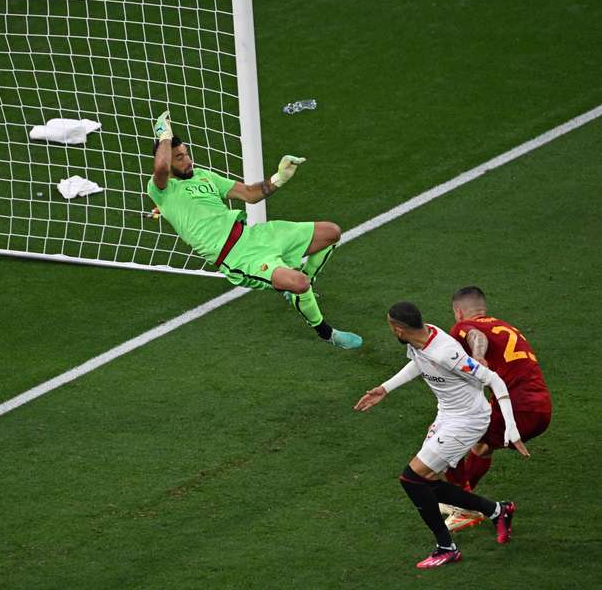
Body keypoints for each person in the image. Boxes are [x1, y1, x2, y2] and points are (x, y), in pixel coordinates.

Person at [147, 110, 361, 349]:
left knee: (331, 233)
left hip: (255, 235)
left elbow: (249, 194)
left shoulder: (203, 176)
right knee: (299, 282)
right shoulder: (162, 190)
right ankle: (327, 333)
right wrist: (164, 136)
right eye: (179, 158)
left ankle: (297, 292)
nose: (188, 161)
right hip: (238, 256)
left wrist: (280, 178)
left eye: (186, 154)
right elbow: (161, 169)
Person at [354, 301, 529, 568]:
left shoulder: (446, 352)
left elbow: (494, 379)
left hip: (468, 419)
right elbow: (418, 364)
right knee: (427, 482)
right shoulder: (422, 337)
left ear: (399, 329)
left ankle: (447, 547)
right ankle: (498, 510)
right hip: (447, 414)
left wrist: (512, 429)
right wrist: (385, 388)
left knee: (412, 479)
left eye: (390, 326)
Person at [441, 286, 553, 529]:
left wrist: (478, 356)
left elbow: (476, 338)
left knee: (449, 439)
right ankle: (462, 502)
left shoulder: (463, 327)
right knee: (480, 447)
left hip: (517, 408)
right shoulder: (505, 326)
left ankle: (464, 507)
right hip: (540, 407)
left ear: (458, 312)